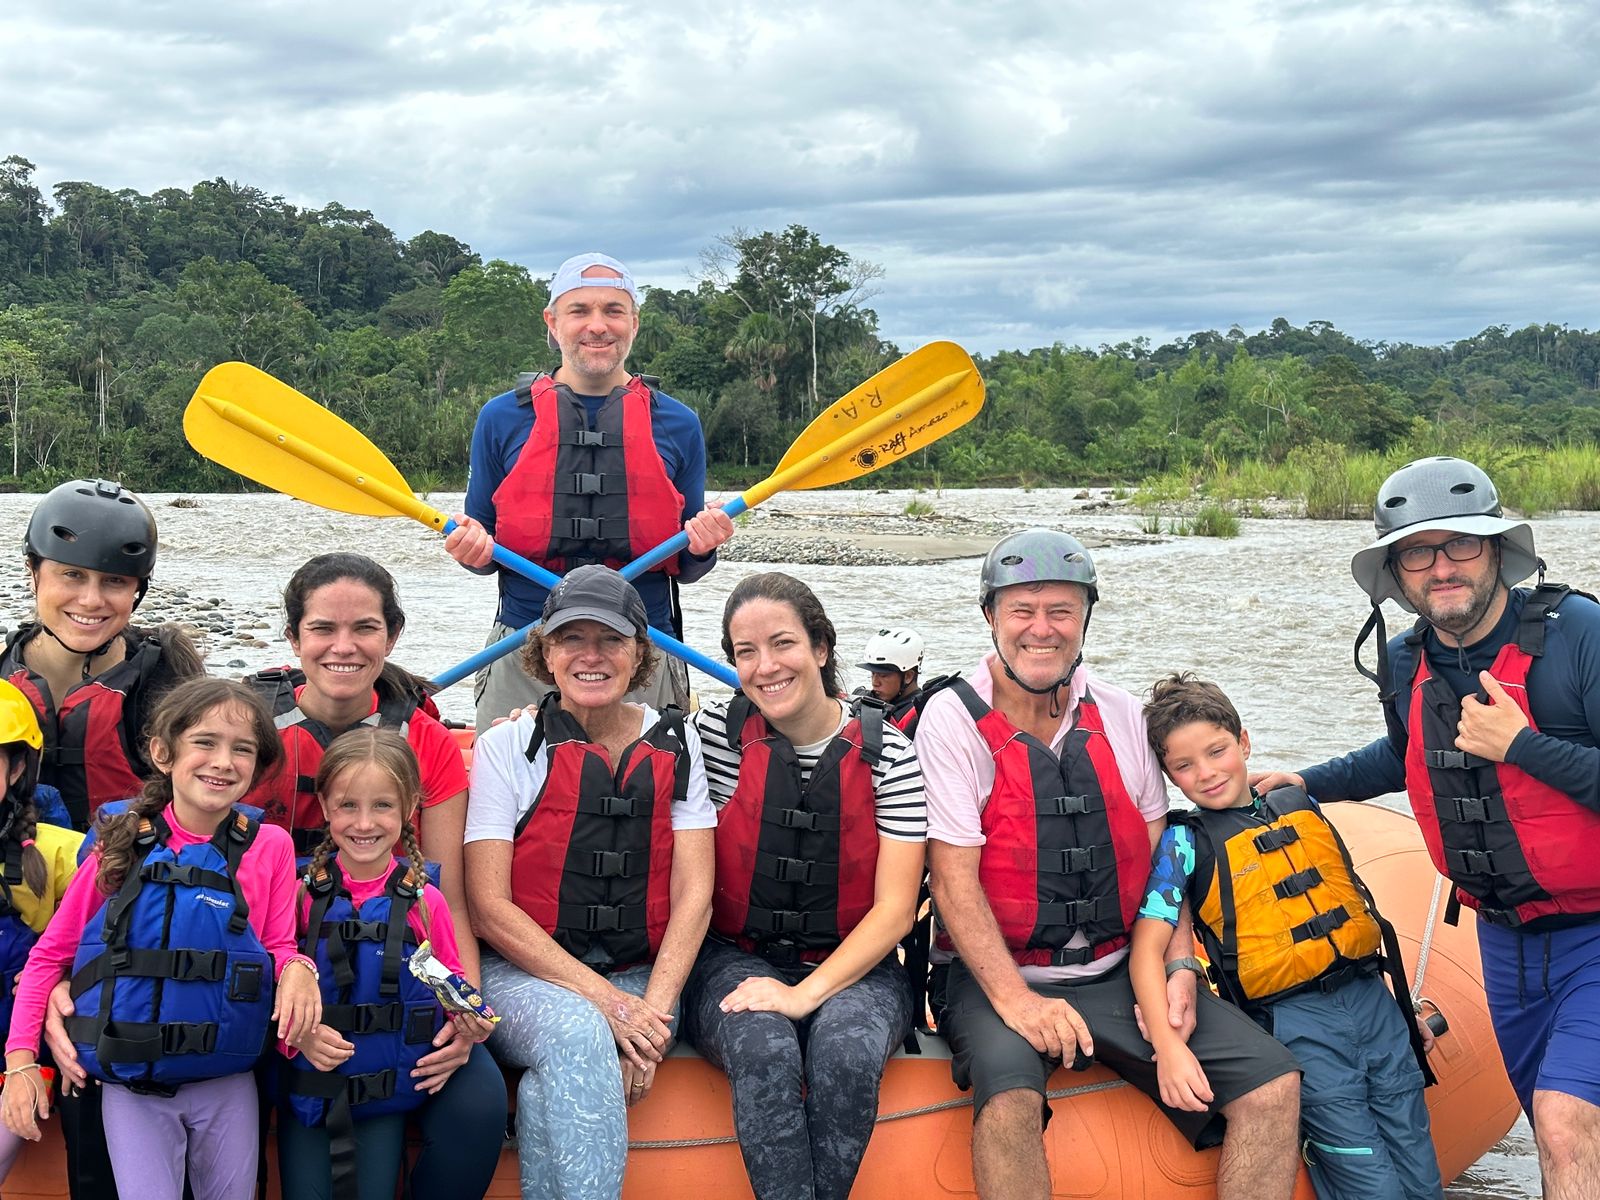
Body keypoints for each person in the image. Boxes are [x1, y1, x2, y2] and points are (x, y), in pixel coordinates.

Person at [1251, 456, 1600, 1198]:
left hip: (1596, 930)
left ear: (1496, 550)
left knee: (1566, 1119)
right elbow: (1404, 754)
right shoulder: (1406, 660)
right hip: (1503, 941)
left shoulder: (1580, 636)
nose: (1441, 567)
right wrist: (1308, 783)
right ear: (1395, 572)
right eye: (1417, 552)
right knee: (1555, 1130)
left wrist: (1523, 747)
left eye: (1460, 544)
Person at [919, 528, 1302, 1200]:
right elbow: (952, 882)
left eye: (1061, 612)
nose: (1042, 629)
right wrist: (1018, 1002)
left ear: (1086, 617)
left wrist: (1179, 964)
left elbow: (1161, 868)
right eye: (1022, 611)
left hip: (1125, 967)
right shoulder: (950, 722)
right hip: (997, 976)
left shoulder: (1123, 715)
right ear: (990, 617)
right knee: (1008, 1102)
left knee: (1274, 1085)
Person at [1, 677, 321, 1200]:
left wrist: (299, 970)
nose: (223, 762)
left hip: (227, 1081)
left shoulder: (271, 846)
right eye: (205, 742)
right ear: (162, 753)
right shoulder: (120, 842)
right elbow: (49, 957)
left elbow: (277, 946)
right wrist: (20, 1063)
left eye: (242, 749)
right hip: (133, 1088)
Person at [1134, 672, 1441, 1199]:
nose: (1206, 772)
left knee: (1419, 1168)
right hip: (1296, 1024)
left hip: (1373, 1007)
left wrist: (1401, 1009)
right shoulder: (1183, 843)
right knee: (1371, 1183)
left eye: (1217, 751)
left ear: (1244, 741)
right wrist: (1167, 1044)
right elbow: (1147, 948)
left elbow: (1349, 903)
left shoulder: (1298, 803)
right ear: (1168, 777)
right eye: (1184, 766)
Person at [463, 564, 715, 1200]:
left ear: (639, 654)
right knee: (578, 1033)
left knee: (552, 1078)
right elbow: (489, 907)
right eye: (571, 638)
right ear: (545, 654)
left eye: (611, 640)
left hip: (645, 976)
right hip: (523, 973)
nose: (591, 656)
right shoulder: (507, 746)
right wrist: (610, 1007)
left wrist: (650, 1016)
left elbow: (694, 896)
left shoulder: (680, 743)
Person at [686, 573, 926, 1200]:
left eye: (783, 643)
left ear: (821, 648)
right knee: (762, 1046)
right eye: (746, 652)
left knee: (845, 1055)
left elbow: (896, 910)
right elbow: (619, 735)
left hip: (860, 964)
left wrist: (804, 994)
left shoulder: (891, 755)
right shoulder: (709, 737)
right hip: (731, 956)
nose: (766, 667)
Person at [444, 251, 734, 728]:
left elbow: (687, 566)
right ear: (552, 321)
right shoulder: (500, 418)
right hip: (526, 639)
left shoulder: (679, 423)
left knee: (650, 774)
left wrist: (703, 546)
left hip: (644, 645)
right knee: (512, 773)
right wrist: (470, 548)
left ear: (633, 323)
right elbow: (482, 549)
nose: (597, 326)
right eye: (579, 310)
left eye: (613, 311)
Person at [278, 728, 503, 1200]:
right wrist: (297, 1036)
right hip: (310, 1085)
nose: (364, 823)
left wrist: (472, 1022)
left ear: (409, 807)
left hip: (384, 1096)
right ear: (325, 807)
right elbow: (273, 976)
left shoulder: (425, 901)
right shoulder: (297, 895)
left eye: (382, 805)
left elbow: (450, 983)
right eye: (348, 805)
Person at [243, 553, 477, 983]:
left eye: (365, 628)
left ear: (391, 637)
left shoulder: (430, 744)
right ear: (294, 638)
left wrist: (468, 1004)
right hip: (265, 955)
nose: (344, 647)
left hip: (386, 963)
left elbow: (451, 903)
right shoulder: (246, 732)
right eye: (323, 628)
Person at [3, 479, 205, 830]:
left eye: (115, 581)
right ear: (32, 572)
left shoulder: (166, 682)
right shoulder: (3, 673)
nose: (91, 600)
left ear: (138, 589)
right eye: (72, 575)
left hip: (126, 863)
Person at [0, 680, 84, 1186]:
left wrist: (65, 974)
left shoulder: (59, 851)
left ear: (15, 770)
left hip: (20, 1042)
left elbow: (111, 924)